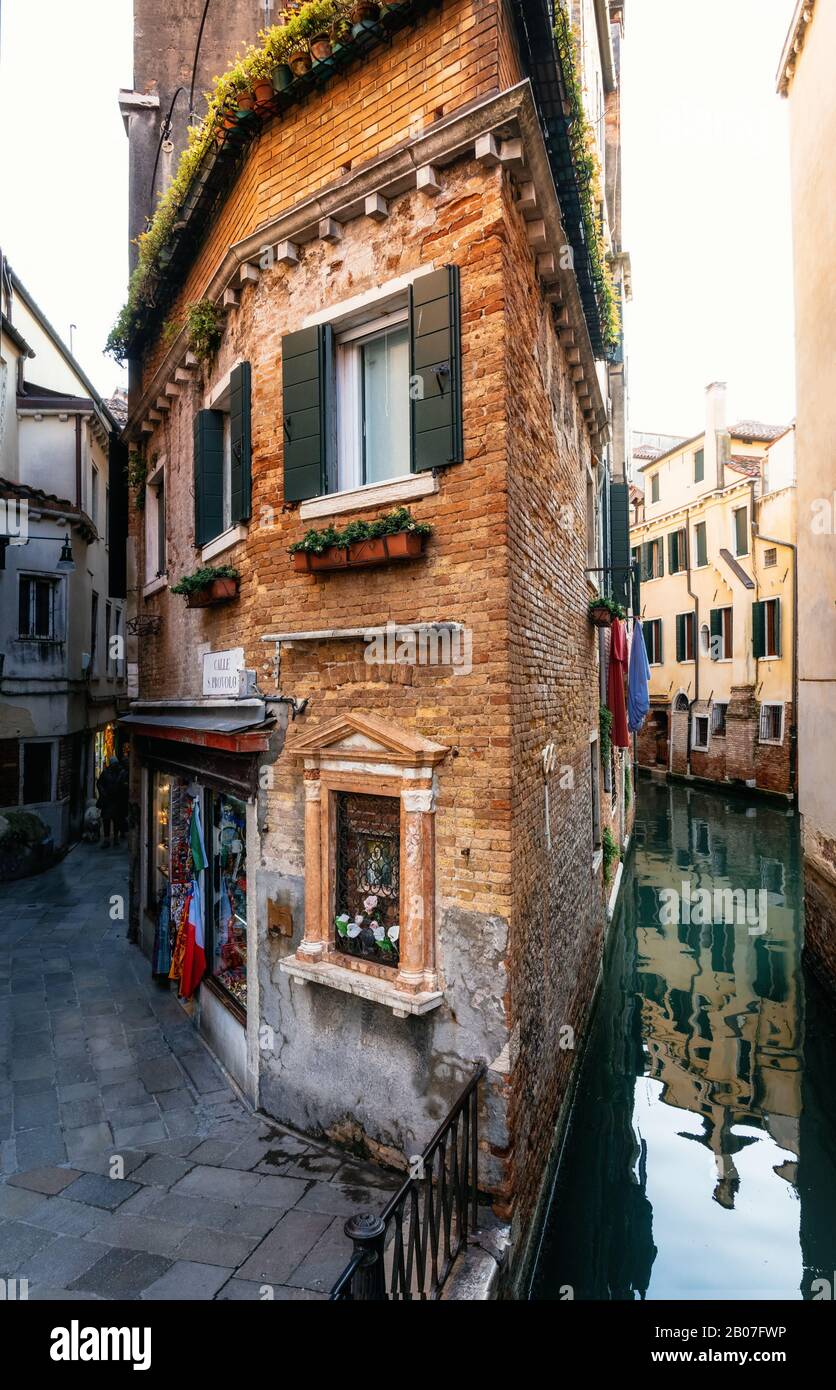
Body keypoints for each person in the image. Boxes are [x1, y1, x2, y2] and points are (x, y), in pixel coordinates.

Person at [97, 756, 128, 847]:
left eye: (115, 764)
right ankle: (106, 839)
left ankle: (115, 837)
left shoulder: (122, 773)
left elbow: (125, 785)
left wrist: (123, 789)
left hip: (117, 800)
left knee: (116, 820)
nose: (114, 766)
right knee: (106, 820)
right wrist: (103, 792)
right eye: (113, 764)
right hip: (107, 800)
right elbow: (99, 783)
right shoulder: (105, 773)